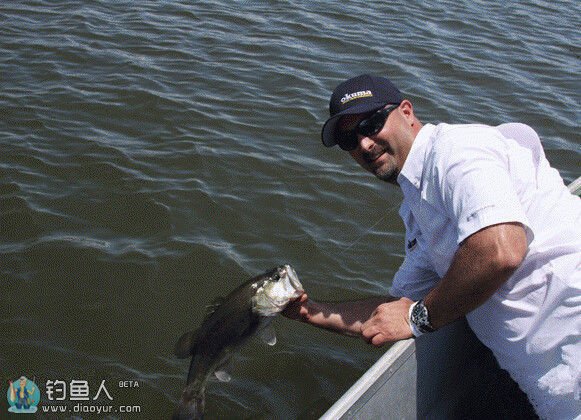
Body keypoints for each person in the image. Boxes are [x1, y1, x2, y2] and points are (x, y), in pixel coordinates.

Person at [283, 74, 581, 419]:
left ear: (407, 112)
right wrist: (308, 312)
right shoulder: (417, 208)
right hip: (553, 387)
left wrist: (418, 318)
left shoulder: (455, 153)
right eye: (350, 138)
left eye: (372, 123)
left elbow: (500, 251)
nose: (364, 144)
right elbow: (396, 311)